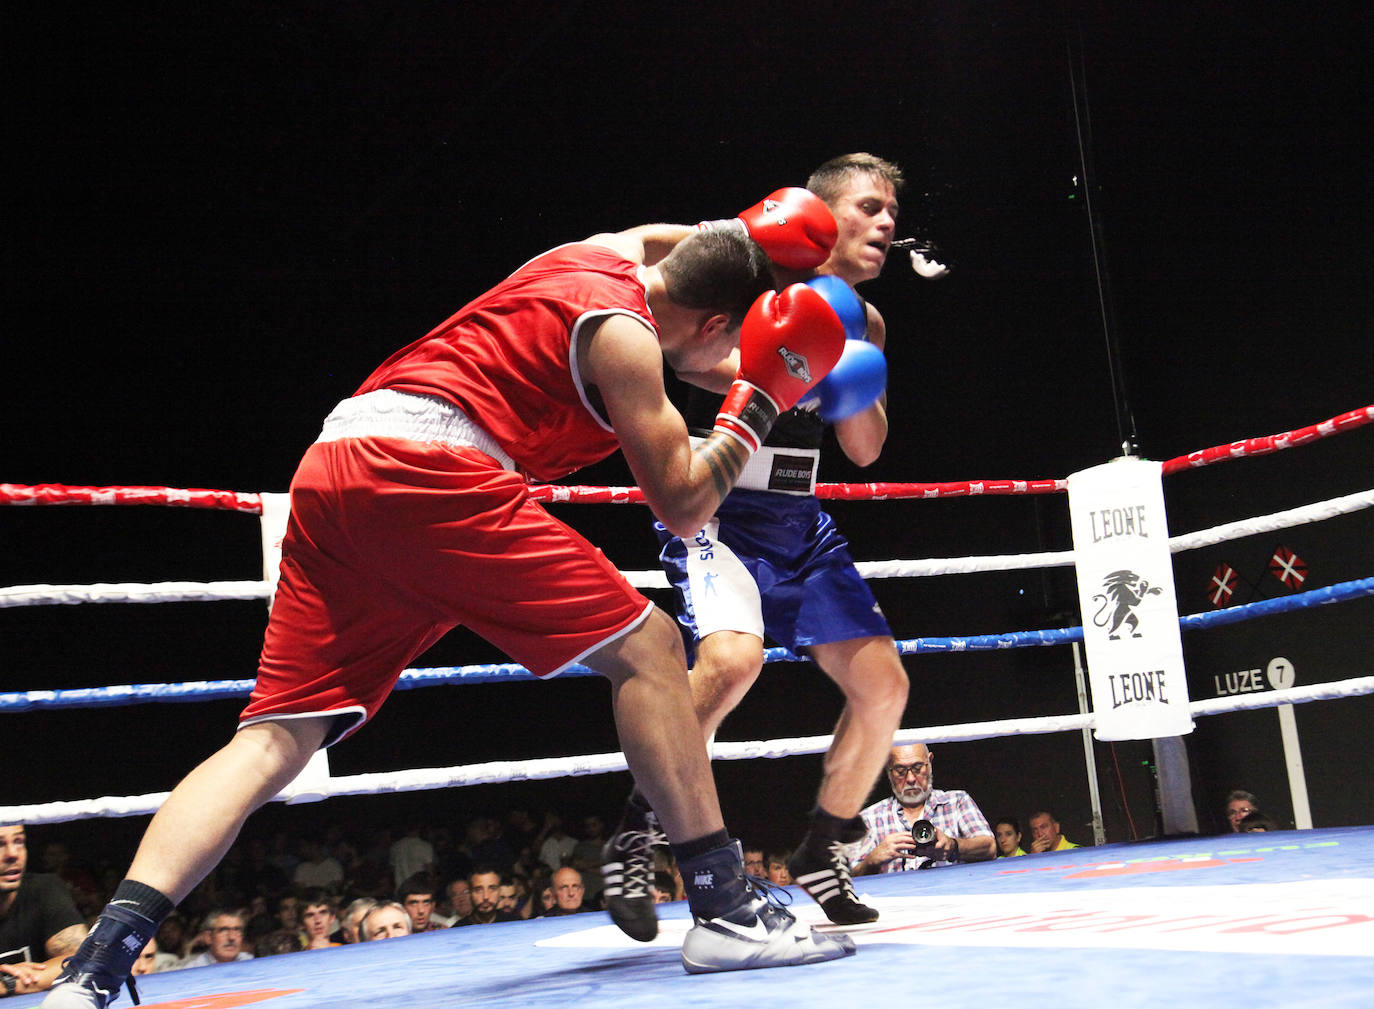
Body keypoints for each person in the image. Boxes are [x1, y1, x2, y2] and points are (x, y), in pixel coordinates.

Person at [44, 193, 857, 1007]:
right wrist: (757, 398)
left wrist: (762, 249)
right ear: (717, 323)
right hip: (430, 475)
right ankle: (723, 905)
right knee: (647, 645)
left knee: (274, 737)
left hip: (336, 462)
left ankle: (96, 965)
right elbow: (682, 503)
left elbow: (672, 241)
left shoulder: (594, 250)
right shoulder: (626, 341)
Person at [605, 153, 911, 934]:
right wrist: (790, 358)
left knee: (884, 686)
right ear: (823, 211)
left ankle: (818, 846)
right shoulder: (754, 280)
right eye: (871, 208)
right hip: (724, 510)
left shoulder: (866, 321)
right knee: (732, 662)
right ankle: (638, 829)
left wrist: (856, 376)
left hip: (801, 521)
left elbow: (866, 448)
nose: (885, 226)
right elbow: (687, 356)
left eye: (892, 217)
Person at [850, 744, 996, 874]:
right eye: (900, 770)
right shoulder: (869, 818)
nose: (911, 778)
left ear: (930, 762)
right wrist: (872, 860)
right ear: (888, 770)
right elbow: (846, 878)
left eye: (918, 768)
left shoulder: (956, 802)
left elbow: (990, 848)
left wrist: (953, 846)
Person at [1, 825, 87, 998]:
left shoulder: (43, 890)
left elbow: (83, 962)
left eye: (19, 841)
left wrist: (8, 983)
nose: (12, 854)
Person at [173, 910, 252, 970]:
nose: (232, 937)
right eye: (223, 930)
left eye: (237, 930)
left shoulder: (251, 963)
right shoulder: (193, 970)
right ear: (208, 937)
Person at [455, 868, 520, 926]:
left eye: (492, 889)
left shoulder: (515, 924)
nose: (486, 897)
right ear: (470, 893)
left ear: (499, 891)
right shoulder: (457, 930)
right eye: (478, 890)